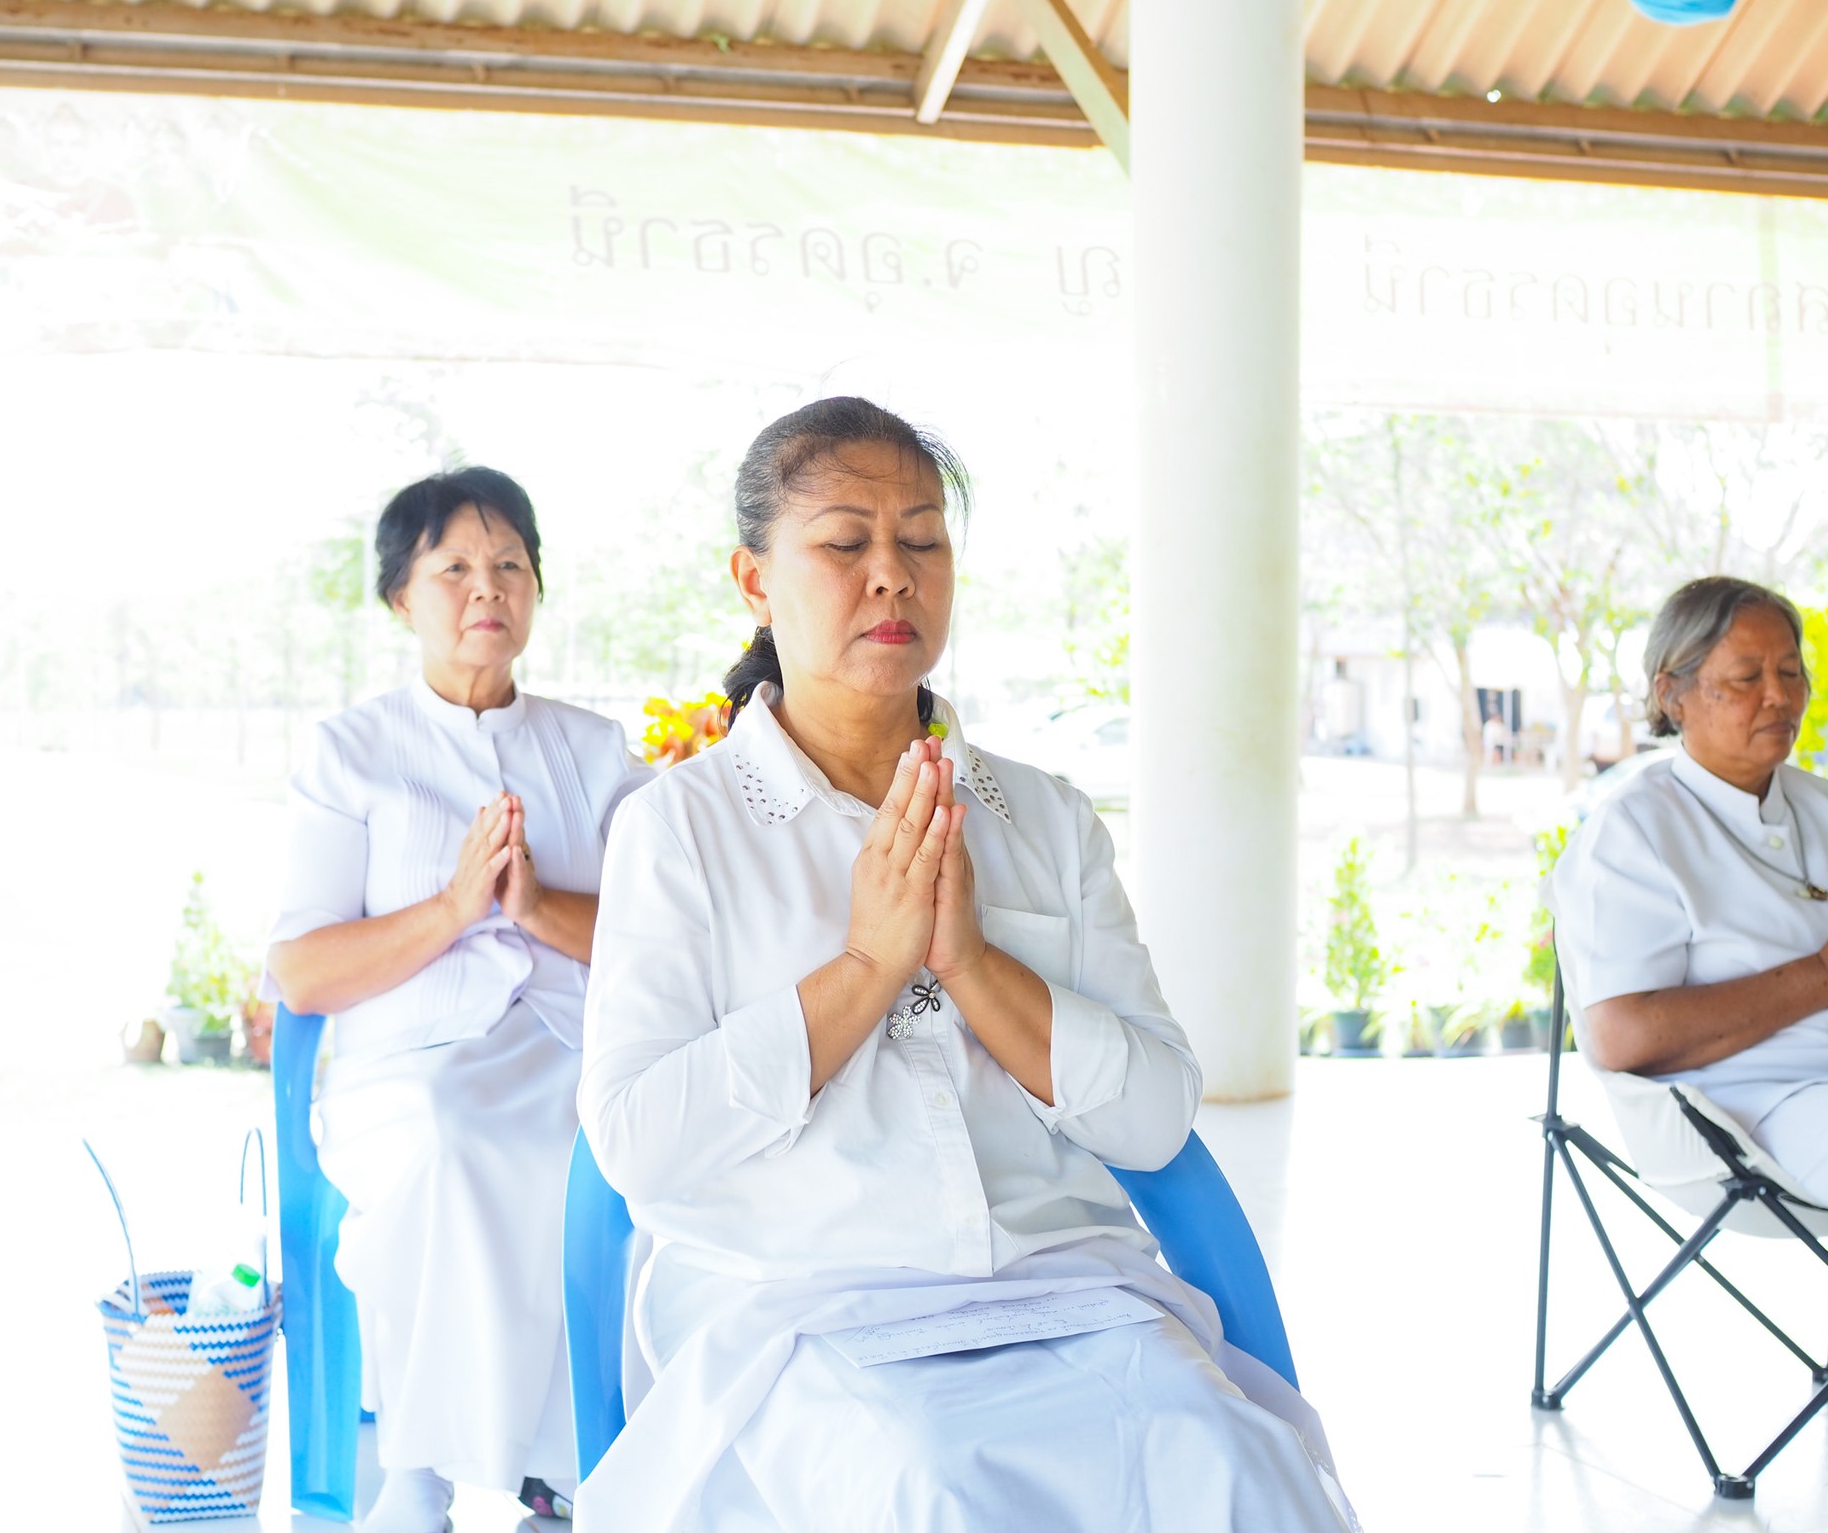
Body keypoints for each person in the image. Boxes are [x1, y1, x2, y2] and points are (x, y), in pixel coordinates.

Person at [576, 397, 1355, 1533]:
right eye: (844, 543)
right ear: (752, 579)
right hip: (802, 1306)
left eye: (923, 540)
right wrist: (863, 967)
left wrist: (972, 963)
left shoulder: (1040, 818)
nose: (891, 575)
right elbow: (637, 1142)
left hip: (1067, 1294)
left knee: (1225, 1460)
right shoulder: (679, 830)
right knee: (931, 1486)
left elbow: (1151, 1122)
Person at [263, 466, 654, 1532]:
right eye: (454, 569)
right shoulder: (351, 753)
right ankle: (425, 1470)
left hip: (572, 1047)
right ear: (400, 597)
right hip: (408, 1068)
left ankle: (573, 1473)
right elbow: (301, 972)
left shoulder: (592, 752)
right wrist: (450, 908)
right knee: (452, 1139)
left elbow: (655, 938)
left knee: (632, 1145)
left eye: (511, 566)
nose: (488, 589)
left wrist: (531, 908)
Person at [1547, 575, 1828, 1487]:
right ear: (1672, 692)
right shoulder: (1632, 832)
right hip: (1744, 1101)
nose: (1778, 696)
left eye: (1790, 672)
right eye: (1744, 677)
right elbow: (1622, 1037)